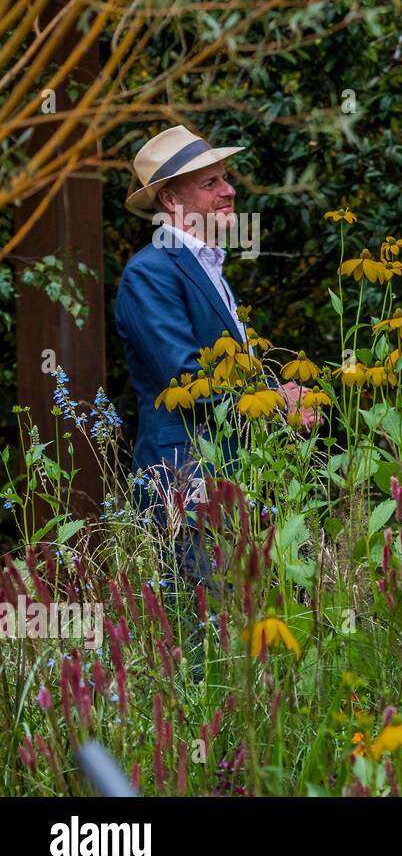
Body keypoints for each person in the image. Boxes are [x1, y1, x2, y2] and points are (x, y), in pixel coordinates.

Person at [115, 125, 314, 590]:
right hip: (186, 479)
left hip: (234, 476)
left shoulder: (205, 267)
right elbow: (187, 379)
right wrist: (277, 399)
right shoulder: (150, 272)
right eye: (211, 184)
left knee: (249, 636)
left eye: (226, 178)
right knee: (208, 641)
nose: (230, 191)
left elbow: (227, 375)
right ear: (169, 200)